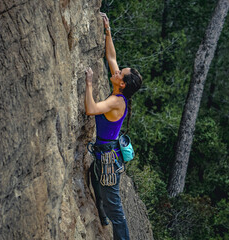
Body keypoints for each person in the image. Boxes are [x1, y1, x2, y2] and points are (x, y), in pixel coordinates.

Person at [84, 12, 142, 240]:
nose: (116, 71)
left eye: (120, 73)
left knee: (115, 209)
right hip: (105, 154)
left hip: (108, 159)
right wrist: (108, 30)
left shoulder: (116, 101)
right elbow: (111, 57)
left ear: (123, 82)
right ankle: (102, 214)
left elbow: (91, 109)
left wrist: (89, 84)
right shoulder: (120, 92)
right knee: (93, 176)